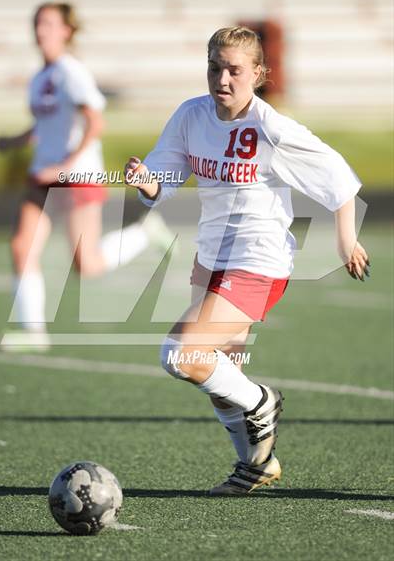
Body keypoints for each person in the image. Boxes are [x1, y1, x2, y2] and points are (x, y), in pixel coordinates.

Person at [124, 26, 370, 495]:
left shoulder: (270, 127)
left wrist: (345, 241)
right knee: (219, 376)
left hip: (259, 260)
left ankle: (261, 402)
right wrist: (149, 182)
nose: (223, 78)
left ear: (258, 73)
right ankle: (256, 466)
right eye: (215, 67)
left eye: (235, 70)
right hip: (211, 256)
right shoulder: (191, 115)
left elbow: (337, 174)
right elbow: (166, 174)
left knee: (182, 355)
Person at [0, 2, 170, 351]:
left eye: (48, 23)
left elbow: (95, 123)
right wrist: (17, 140)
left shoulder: (71, 72)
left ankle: (143, 234)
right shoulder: (40, 76)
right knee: (21, 247)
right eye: (37, 22)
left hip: (77, 176)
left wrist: (66, 165)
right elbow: (47, 125)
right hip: (43, 176)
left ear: (66, 31)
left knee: (86, 264)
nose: (40, 29)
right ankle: (34, 333)